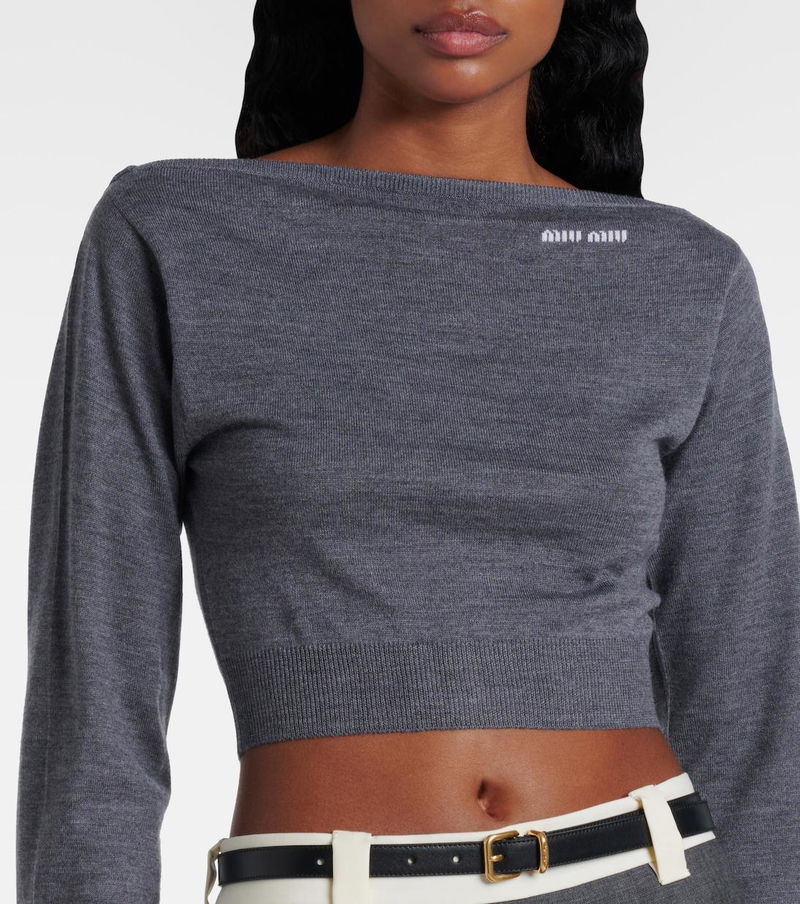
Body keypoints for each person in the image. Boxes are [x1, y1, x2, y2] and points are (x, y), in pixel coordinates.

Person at [16, 1, 800, 902]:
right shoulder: (178, 231)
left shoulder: (683, 270)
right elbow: (93, 674)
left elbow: (753, 688)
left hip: (645, 869)